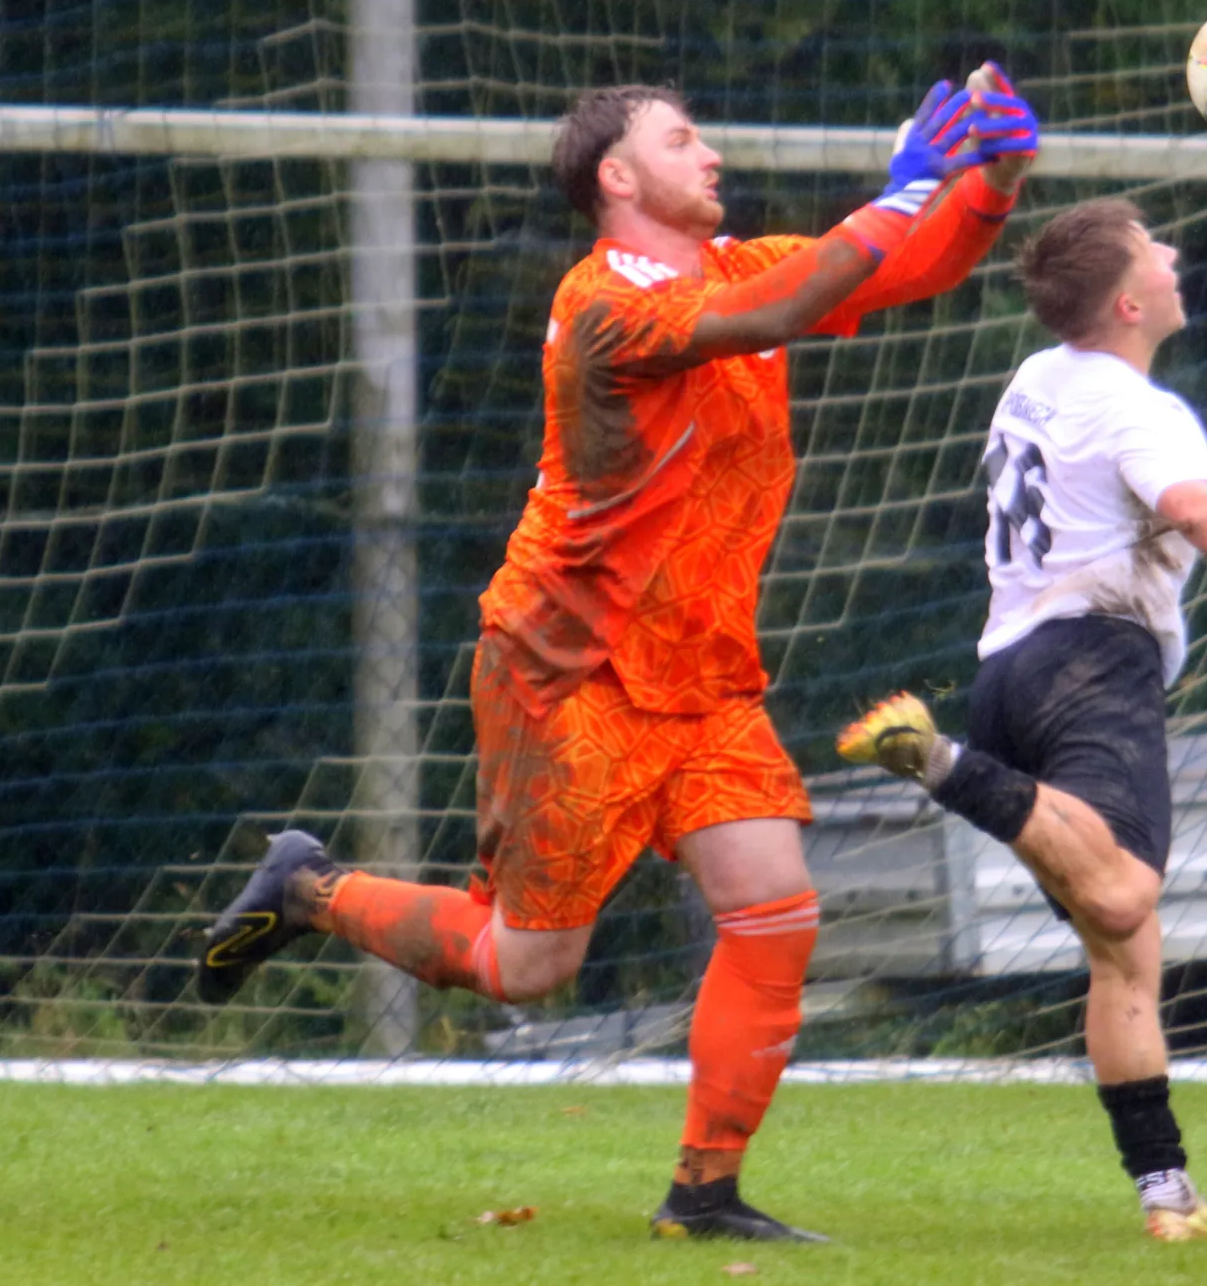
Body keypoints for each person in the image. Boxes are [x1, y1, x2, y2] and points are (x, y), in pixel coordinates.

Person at [194, 70, 1040, 1242]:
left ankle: (702, 1194)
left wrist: (989, 180)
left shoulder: (737, 266)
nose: (710, 153)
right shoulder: (601, 305)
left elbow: (901, 268)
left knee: (774, 908)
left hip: (702, 675)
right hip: (569, 671)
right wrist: (901, 186)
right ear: (616, 175)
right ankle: (306, 889)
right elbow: (777, 312)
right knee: (527, 965)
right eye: (680, 139)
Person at [838, 198, 1207, 1244]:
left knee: (1122, 950)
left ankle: (1164, 1193)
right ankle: (940, 762)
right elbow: (1186, 509)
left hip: (1008, 670)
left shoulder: (1040, 375)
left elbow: (1119, 485)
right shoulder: (1144, 410)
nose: (1173, 256)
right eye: (1153, 251)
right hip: (1092, 664)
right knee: (1128, 888)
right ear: (1130, 302)